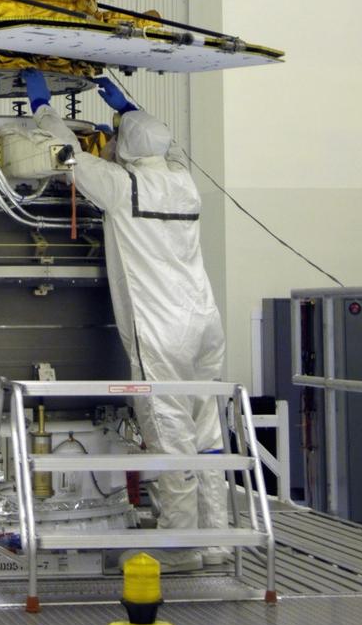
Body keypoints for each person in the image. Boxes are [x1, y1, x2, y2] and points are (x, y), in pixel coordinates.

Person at [24, 69, 229, 572]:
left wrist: (43, 109)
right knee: (207, 432)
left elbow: (67, 155)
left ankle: (180, 543)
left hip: (162, 329)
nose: (110, 145)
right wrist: (129, 107)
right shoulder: (184, 183)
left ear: (129, 152)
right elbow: (171, 147)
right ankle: (220, 537)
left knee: (170, 430)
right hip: (205, 322)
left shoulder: (121, 185)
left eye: (116, 138)